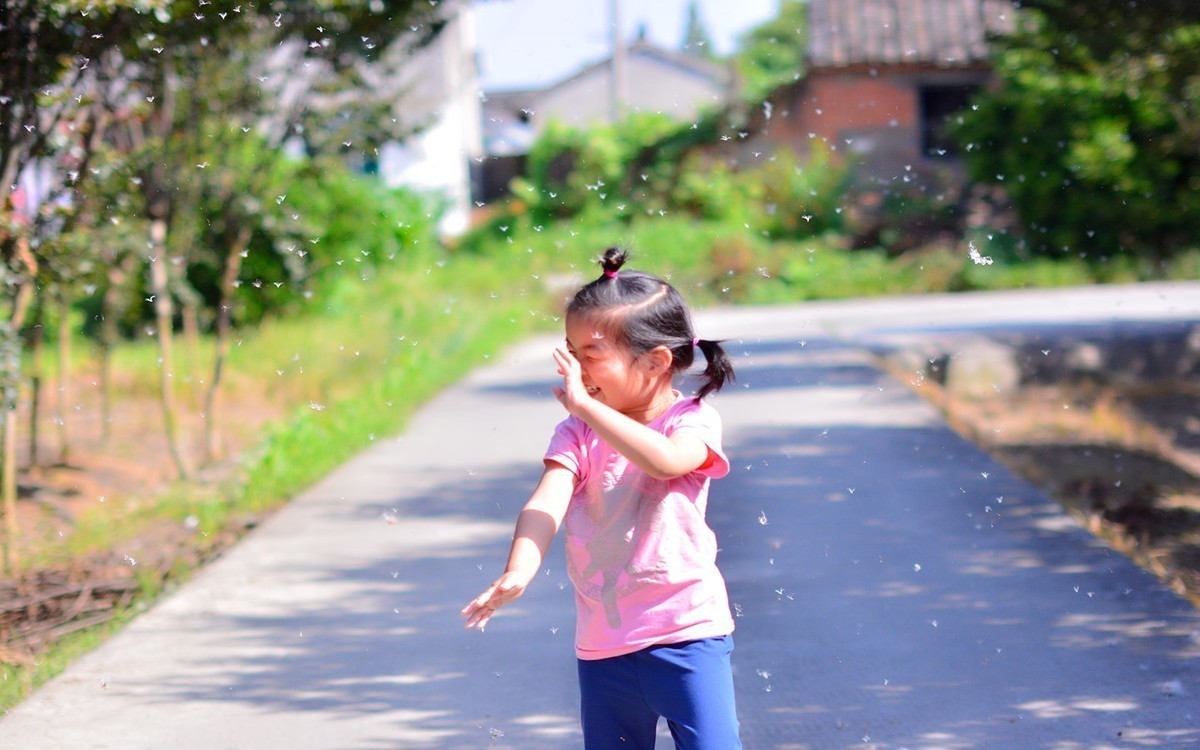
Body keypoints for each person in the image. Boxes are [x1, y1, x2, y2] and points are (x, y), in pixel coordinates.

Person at [462, 247, 742, 749]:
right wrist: (519, 569)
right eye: (569, 351)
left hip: (687, 633)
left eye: (589, 355)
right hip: (604, 646)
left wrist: (588, 409)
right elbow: (546, 501)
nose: (574, 368)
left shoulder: (691, 420)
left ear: (656, 361)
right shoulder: (577, 431)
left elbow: (666, 461)